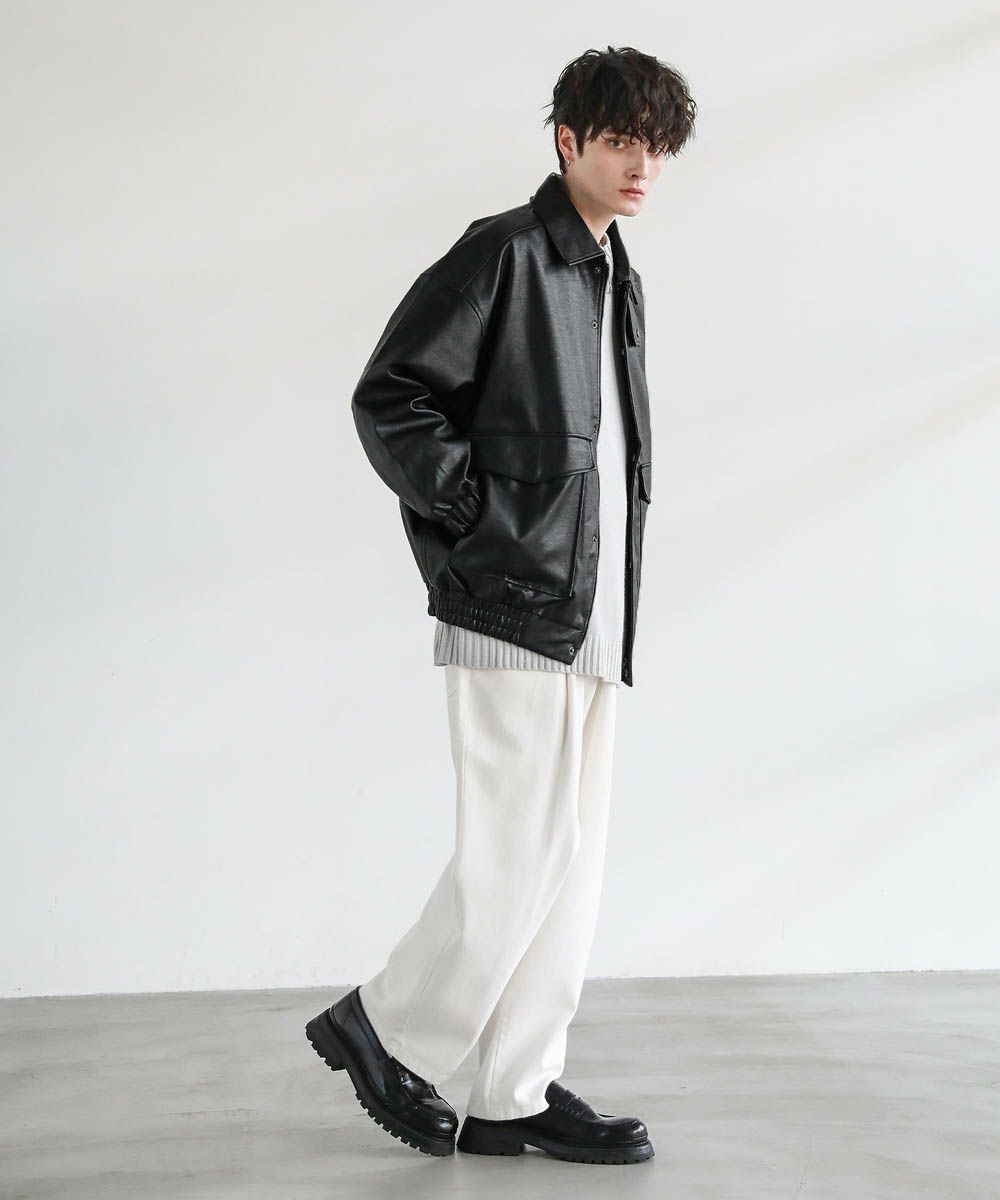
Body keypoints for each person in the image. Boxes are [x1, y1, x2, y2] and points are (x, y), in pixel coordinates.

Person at [307, 45, 696, 1165]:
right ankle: (384, 1027)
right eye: (618, 140)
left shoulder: (615, 275)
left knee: (570, 864)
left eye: (655, 146)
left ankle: (512, 1089)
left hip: (593, 611)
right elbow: (391, 395)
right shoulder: (507, 253)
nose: (640, 165)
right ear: (567, 141)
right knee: (514, 855)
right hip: (510, 607)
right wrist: (477, 516)